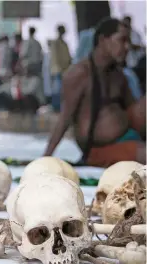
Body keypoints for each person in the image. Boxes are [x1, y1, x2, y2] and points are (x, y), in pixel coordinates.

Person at [44, 18, 146, 167]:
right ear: (103, 40)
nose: (127, 47)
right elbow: (64, 120)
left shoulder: (119, 75)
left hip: (128, 135)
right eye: (122, 40)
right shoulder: (79, 74)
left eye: (128, 41)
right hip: (97, 151)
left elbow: (136, 112)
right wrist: (45, 158)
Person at [49, 25, 72, 112]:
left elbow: (68, 57)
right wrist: (59, 69)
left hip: (65, 70)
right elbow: (55, 58)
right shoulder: (55, 43)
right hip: (58, 70)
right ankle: (56, 107)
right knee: (57, 89)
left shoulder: (64, 43)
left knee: (62, 90)